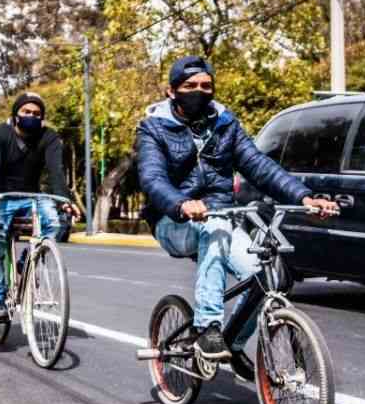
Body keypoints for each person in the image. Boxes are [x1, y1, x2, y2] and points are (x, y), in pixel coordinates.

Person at [135, 56, 338, 380]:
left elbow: (259, 165)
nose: (198, 92)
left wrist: (304, 197)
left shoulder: (225, 125)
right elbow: (152, 178)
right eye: (189, 87)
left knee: (266, 273)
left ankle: (232, 341)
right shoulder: (153, 127)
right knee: (213, 229)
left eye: (206, 86)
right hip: (172, 220)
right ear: (172, 91)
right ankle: (208, 327)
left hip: (220, 215)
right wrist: (182, 204)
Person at [0, 92, 76, 324]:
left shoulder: (49, 137)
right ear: (15, 114)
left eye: (37, 114)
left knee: (56, 222)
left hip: (31, 196)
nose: (32, 116)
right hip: (1, 197)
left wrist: (64, 200)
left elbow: (56, 171)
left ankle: (27, 261)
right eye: (26, 112)